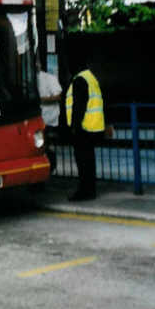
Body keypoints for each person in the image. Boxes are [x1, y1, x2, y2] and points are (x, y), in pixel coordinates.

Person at [65, 55, 105, 201]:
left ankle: (84, 191)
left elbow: (78, 106)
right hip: (93, 127)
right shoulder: (91, 78)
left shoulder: (80, 80)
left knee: (83, 162)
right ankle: (90, 190)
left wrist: (75, 128)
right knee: (89, 161)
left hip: (83, 129)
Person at [37, 67, 62, 174]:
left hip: (48, 120)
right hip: (38, 120)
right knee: (40, 147)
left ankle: (48, 168)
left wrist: (41, 100)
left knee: (42, 146)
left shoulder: (48, 78)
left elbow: (58, 97)